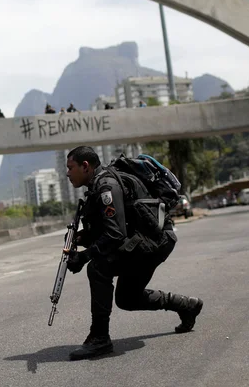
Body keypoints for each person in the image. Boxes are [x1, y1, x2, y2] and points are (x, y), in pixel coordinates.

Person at [63, 146, 203, 360]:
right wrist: (84, 238)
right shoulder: (98, 185)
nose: (67, 173)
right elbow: (116, 226)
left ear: (85, 166)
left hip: (154, 241)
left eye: (70, 167)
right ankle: (187, 306)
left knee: (98, 267)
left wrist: (84, 257)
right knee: (127, 299)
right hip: (149, 239)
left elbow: (115, 234)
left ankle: (99, 338)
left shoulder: (106, 186)